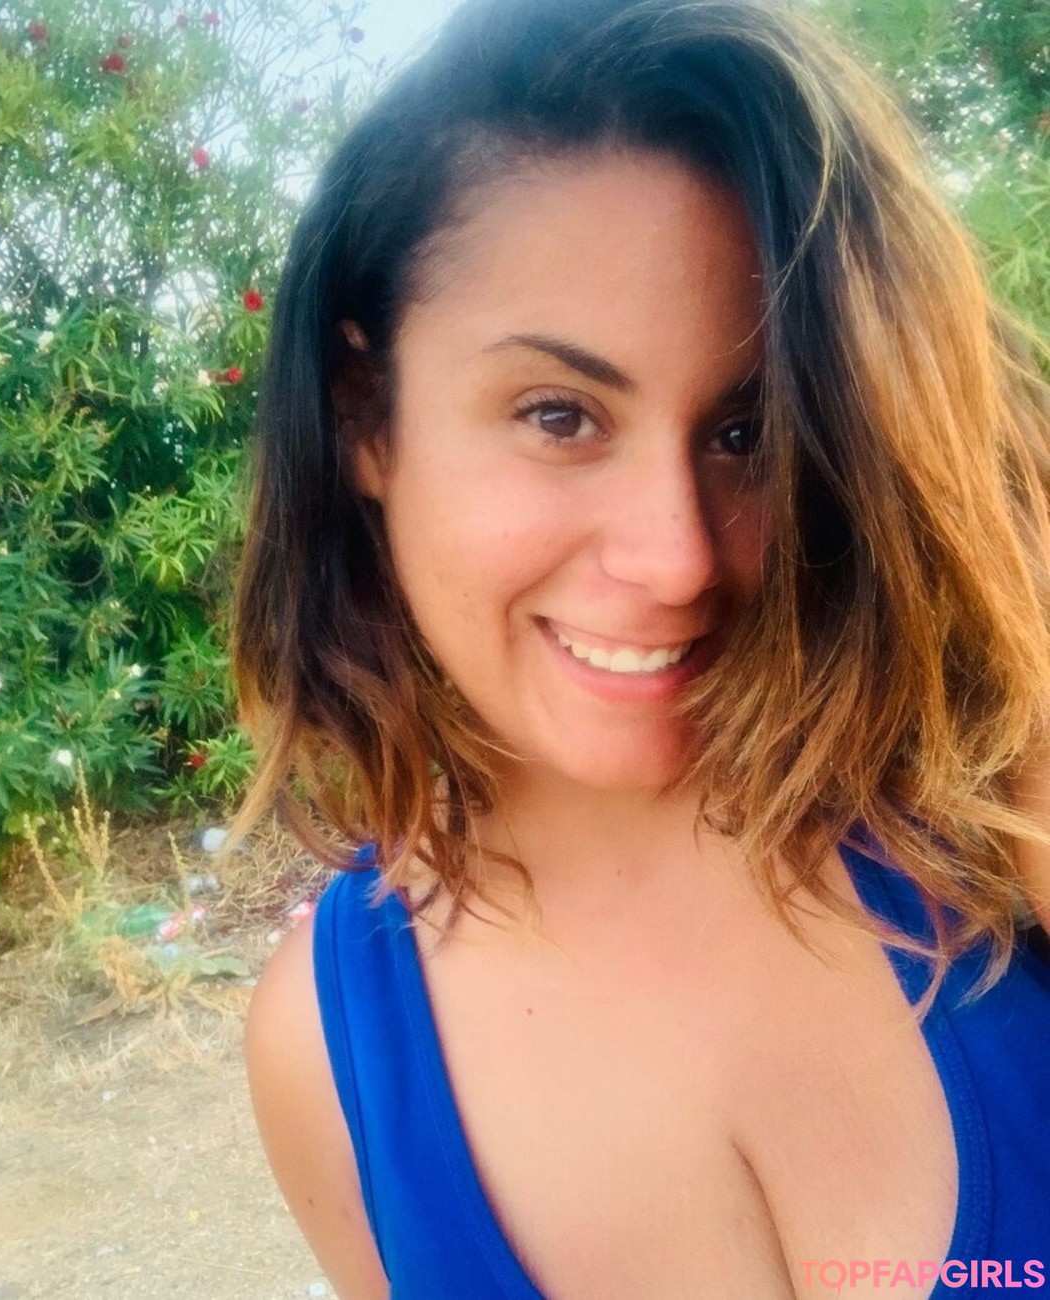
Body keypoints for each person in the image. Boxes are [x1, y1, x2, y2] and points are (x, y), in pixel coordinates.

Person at [234, 0, 1050, 1296]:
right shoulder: (328, 1057)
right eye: (560, 416)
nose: (678, 558)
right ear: (366, 420)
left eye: (745, 433)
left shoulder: (991, 802)